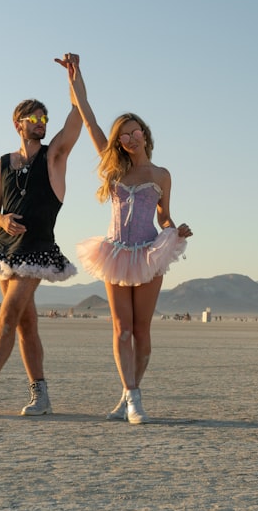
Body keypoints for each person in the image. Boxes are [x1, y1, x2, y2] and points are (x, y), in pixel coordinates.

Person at [0, 53, 85, 418]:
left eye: (45, 118)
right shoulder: (2, 163)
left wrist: (75, 79)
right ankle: (41, 396)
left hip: (38, 248)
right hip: (5, 248)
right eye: (35, 118)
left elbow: (77, 119)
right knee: (26, 324)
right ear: (18, 124)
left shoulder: (54, 157)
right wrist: (1, 222)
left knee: (8, 315)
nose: (42, 122)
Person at [70, 70, 193, 425]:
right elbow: (89, 119)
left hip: (150, 252)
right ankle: (132, 397)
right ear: (119, 141)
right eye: (124, 135)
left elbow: (164, 217)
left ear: (145, 134)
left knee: (141, 332)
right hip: (115, 252)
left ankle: (131, 394)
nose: (131, 138)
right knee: (121, 330)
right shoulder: (113, 169)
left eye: (136, 131)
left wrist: (176, 229)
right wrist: (74, 79)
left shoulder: (161, 175)